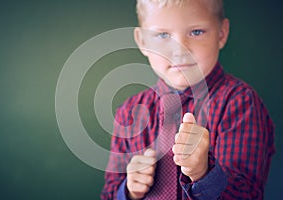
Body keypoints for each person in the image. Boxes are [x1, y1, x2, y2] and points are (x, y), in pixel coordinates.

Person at [101, 0, 275, 199]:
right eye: (163, 35)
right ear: (142, 41)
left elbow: (247, 194)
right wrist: (129, 190)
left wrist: (204, 173)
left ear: (221, 33)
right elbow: (110, 193)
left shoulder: (240, 103)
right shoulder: (129, 111)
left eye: (196, 32)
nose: (180, 49)